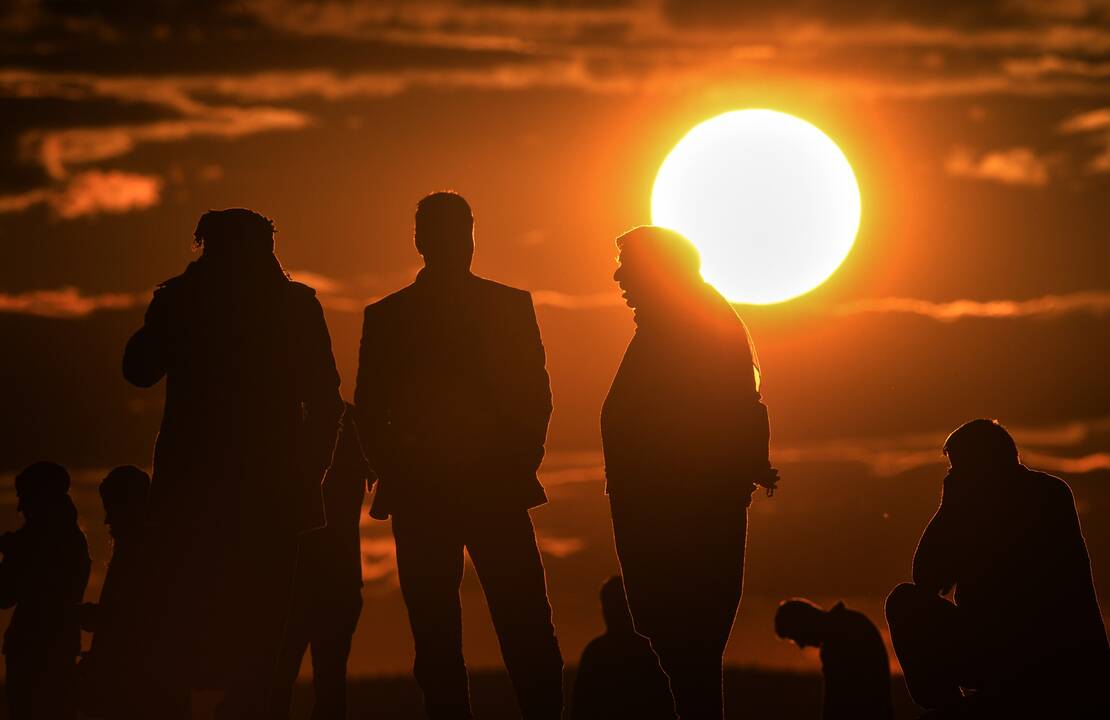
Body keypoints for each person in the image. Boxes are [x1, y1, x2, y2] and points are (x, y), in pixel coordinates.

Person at [123, 208, 344, 719]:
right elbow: (327, 401)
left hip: (201, 494)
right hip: (257, 495)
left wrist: (175, 298)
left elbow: (136, 369)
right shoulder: (293, 306)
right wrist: (307, 475)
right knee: (254, 635)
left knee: (194, 625)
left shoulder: (187, 301)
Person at [353, 191, 563, 720]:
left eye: (463, 230)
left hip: (485, 488)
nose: (457, 243)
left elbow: (535, 396)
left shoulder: (503, 306)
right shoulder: (391, 316)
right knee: (443, 637)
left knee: (522, 628)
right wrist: (396, 471)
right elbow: (370, 411)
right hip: (442, 493)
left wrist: (518, 464)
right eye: (445, 232)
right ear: (420, 240)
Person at [601, 226, 777, 720]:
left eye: (628, 266)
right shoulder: (677, 325)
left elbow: (701, 432)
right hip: (669, 521)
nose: (619, 277)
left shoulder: (690, 330)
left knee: (689, 655)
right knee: (686, 663)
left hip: (680, 526)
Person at [885, 419, 1110, 715]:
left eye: (959, 468)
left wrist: (953, 507)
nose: (955, 476)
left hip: (1047, 653)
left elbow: (932, 578)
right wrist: (950, 507)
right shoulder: (972, 507)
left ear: (984, 462)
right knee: (904, 601)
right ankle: (947, 707)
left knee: (904, 602)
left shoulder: (1047, 494)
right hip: (996, 648)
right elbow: (925, 579)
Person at [272, 404, 371, 720]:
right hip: (332, 582)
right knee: (326, 689)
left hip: (298, 584)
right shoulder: (352, 423)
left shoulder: (282, 421)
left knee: (277, 684)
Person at [0, 461, 91, 720]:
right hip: (58, 648)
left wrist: (15, 552)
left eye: (24, 498)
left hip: (34, 652)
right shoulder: (73, 541)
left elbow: (5, 594)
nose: (19, 507)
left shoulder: (35, 544)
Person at [77, 465, 169, 720]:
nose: (107, 520)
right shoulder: (144, 550)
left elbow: (128, 619)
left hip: (133, 686)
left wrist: (84, 616)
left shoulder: (141, 554)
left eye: (112, 509)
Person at [571, 576, 675, 720]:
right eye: (607, 604)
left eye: (614, 605)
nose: (608, 611)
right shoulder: (650, 650)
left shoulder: (596, 651)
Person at [774, 598, 894, 720]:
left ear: (804, 624)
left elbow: (835, 703)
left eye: (795, 636)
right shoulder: (854, 622)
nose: (801, 645)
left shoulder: (836, 641)